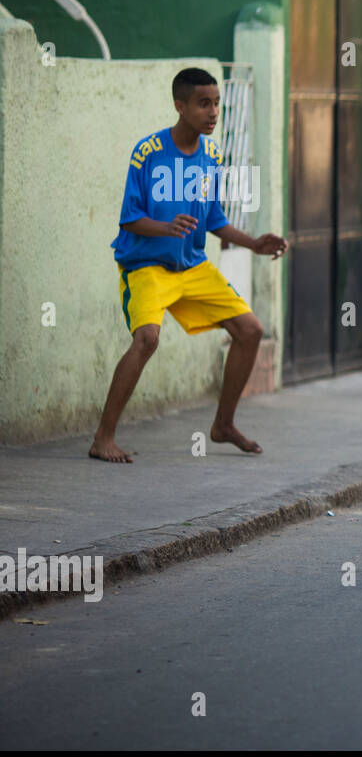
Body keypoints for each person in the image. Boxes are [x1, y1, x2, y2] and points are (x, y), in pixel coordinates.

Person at [88, 68, 288, 463]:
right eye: (203, 104)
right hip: (146, 264)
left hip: (191, 267)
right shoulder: (148, 151)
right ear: (180, 106)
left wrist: (252, 243)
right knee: (147, 339)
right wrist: (166, 227)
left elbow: (212, 217)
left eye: (217, 103)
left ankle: (223, 425)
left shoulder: (212, 155)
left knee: (250, 330)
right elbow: (129, 218)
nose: (213, 112)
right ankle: (103, 438)